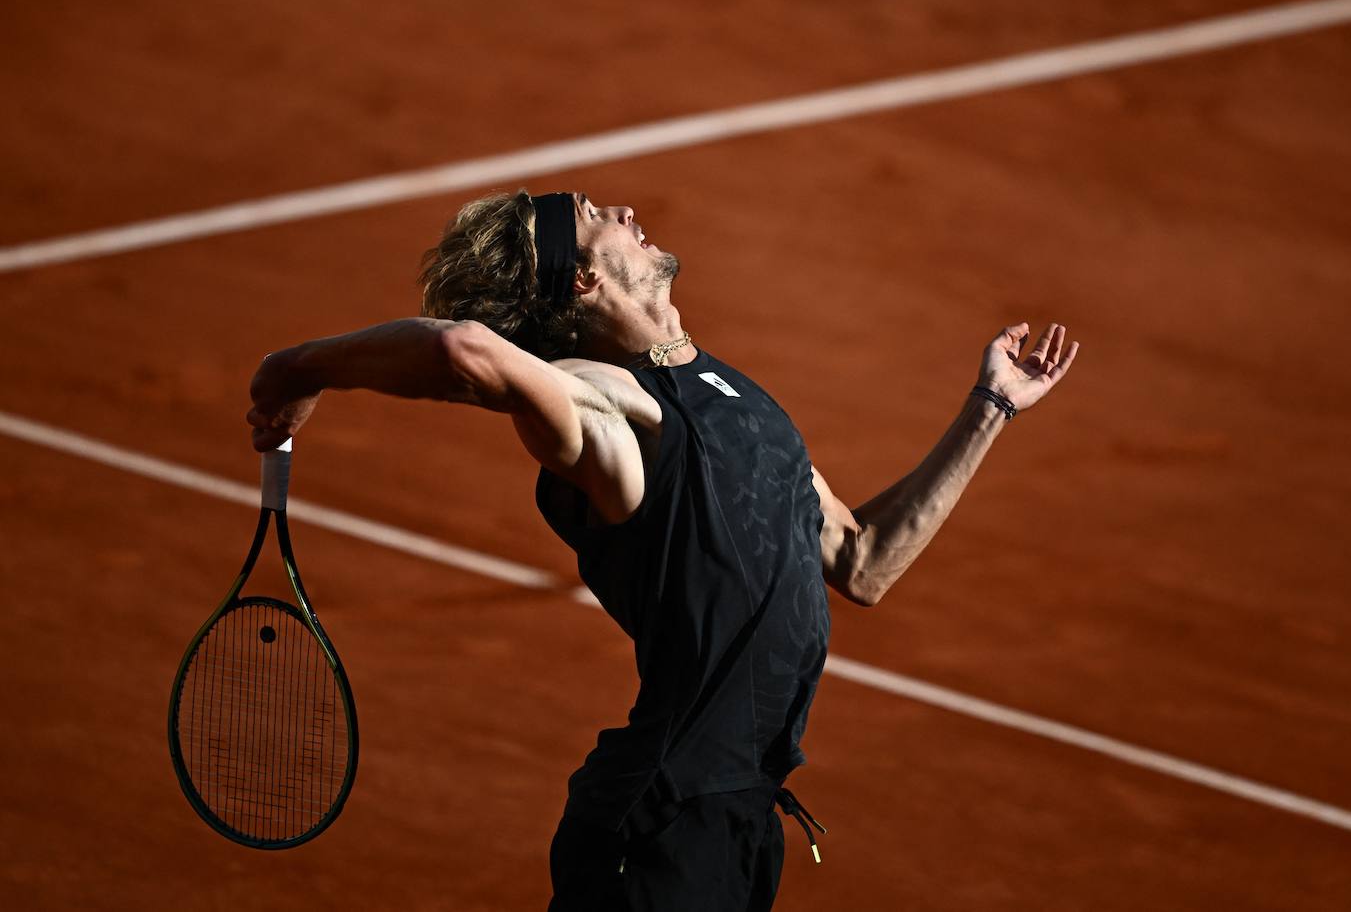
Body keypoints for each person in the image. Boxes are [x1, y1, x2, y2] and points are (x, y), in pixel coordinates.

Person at [246, 189, 1079, 911]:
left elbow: (864, 562)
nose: (625, 212)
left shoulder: (732, 395)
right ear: (581, 280)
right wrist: (296, 369)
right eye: (592, 218)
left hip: (739, 816)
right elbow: (462, 350)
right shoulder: (611, 405)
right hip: (660, 823)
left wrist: (990, 408)